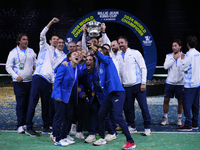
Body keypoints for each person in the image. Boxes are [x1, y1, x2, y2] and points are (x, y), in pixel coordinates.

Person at [88, 42, 136, 149]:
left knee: (118, 117)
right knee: (101, 114)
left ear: (104, 54)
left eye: (100, 52)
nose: (98, 54)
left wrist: (94, 50)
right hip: (110, 95)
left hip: (118, 93)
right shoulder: (99, 67)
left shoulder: (108, 61)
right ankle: (101, 137)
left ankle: (130, 141)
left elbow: (102, 57)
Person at [25, 17, 59, 136]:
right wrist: (51, 22)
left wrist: (53, 83)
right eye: (54, 39)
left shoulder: (56, 55)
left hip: (48, 82)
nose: (56, 41)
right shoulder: (44, 47)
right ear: (49, 41)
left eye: (58, 40)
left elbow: (54, 71)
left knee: (47, 105)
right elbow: (42, 33)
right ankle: (28, 126)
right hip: (38, 78)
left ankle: (46, 126)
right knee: (33, 103)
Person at [116, 36, 151, 136]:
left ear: (127, 43)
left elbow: (143, 68)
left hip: (138, 85)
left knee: (143, 107)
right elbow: (119, 73)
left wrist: (143, 82)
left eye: (122, 42)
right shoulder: (118, 55)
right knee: (128, 108)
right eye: (119, 43)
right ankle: (131, 126)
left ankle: (147, 127)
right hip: (126, 86)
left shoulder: (135, 53)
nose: (120, 44)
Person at [6, 33, 37, 134]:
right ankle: (20, 125)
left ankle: (26, 123)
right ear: (19, 41)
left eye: (27, 39)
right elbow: (8, 67)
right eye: (23, 39)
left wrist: (35, 69)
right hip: (19, 83)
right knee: (21, 104)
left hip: (30, 82)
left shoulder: (31, 51)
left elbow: (35, 63)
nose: (26, 41)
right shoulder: (13, 53)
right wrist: (16, 76)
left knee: (29, 103)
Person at [51, 51, 80, 146]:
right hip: (60, 96)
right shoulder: (64, 66)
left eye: (78, 55)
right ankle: (56, 137)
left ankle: (63, 136)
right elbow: (57, 81)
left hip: (69, 97)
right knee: (59, 117)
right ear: (69, 58)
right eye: (74, 54)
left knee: (69, 116)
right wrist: (57, 95)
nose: (77, 55)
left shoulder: (77, 68)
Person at [177, 35, 200, 131]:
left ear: (187, 44)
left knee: (186, 104)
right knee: (195, 104)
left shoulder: (188, 55)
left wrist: (182, 59)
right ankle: (195, 123)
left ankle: (188, 124)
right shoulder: (198, 53)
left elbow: (183, 68)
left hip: (189, 84)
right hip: (197, 83)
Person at [161, 39, 184, 126]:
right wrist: (174, 58)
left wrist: (181, 59)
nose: (174, 47)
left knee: (180, 102)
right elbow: (165, 66)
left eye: (176, 46)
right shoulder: (169, 56)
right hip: (170, 83)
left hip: (180, 84)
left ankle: (179, 118)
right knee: (166, 100)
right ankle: (165, 118)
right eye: (173, 46)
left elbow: (185, 68)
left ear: (180, 47)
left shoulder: (184, 56)